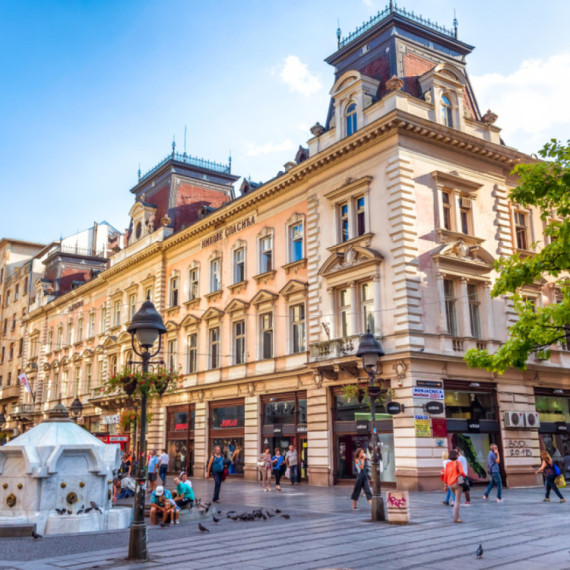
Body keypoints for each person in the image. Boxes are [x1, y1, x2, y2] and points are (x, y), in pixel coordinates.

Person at [443, 450, 466, 523]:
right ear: (456, 456)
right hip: (457, 483)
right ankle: (456, 518)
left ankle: (456, 517)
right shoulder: (458, 463)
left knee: (456, 499)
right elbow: (462, 472)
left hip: (450, 484)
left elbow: (445, 475)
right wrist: (465, 476)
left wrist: (445, 485)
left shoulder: (447, 464)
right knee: (457, 501)